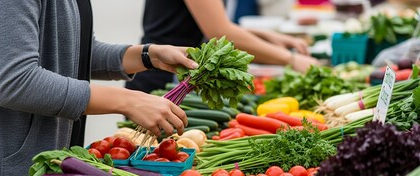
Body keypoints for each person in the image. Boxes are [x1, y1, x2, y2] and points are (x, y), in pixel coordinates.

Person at [0, 0, 198, 176]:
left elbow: (74, 50)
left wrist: (149, 56)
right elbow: (16, 81)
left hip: (48, 173)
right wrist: (128, 101)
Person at [126, 0, 320, 94]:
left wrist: (267, 36)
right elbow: (218, 32)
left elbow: (213, 24)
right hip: (161, 78)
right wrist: (290, 59)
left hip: (177, 72)